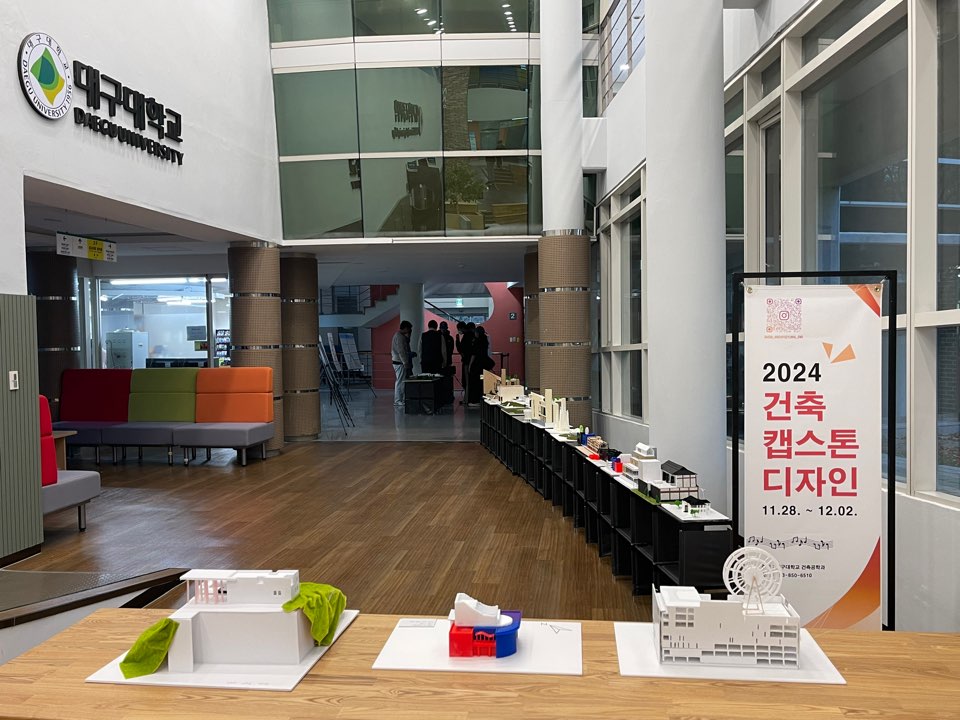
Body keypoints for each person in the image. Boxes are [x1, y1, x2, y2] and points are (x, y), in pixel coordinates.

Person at [391, 320, 414, 408]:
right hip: (399, 362)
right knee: (400, 381)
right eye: (408, 329)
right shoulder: (399, 337)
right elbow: (401, 351)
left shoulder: (399, 336)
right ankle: (398, 400)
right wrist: (405, 362)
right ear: (405, 328)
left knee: (400, 381)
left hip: (398, 361)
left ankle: (399, 399)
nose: (409, 331)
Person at [467, 325, 490, 406]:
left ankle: (474, 400)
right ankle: (481, 398)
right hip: (483, 364)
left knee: (474, 382)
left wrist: (470, 365)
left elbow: (474, 354)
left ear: (477, 333)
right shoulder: (485, 341)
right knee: (481, 383)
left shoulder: (476, 341)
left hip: (476, 365)